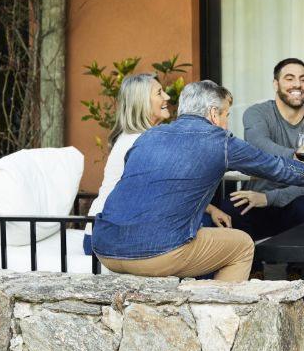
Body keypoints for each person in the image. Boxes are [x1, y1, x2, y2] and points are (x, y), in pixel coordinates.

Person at [91, 81, 304, 281]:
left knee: (201, 229)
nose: (227, 122)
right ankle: (218, 322)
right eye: (226, 114)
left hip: (104, 246)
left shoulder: (149, 136)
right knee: (242, 245)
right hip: (156, 252)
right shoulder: (219, 140)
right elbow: (275, 167)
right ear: (213, 113)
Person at [83, 74, 230, 256]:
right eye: (159, 93)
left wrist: (211, 208)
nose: (167, 97)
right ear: (142, 101)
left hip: (115, 229)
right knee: (201, 232)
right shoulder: (139, 141)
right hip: (108, 235)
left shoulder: (147, 137)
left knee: (204, 224)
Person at [222, 58, 304, 280]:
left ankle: (299, 270)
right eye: (289, 78)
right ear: (275, 84)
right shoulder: (257, 114)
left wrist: (267, 198)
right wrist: (294, 157)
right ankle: (251, 268)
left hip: (289, 203)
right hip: (256, 204)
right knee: (232, 206)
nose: (297, 85)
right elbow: (259, 146)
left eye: (303, 79)